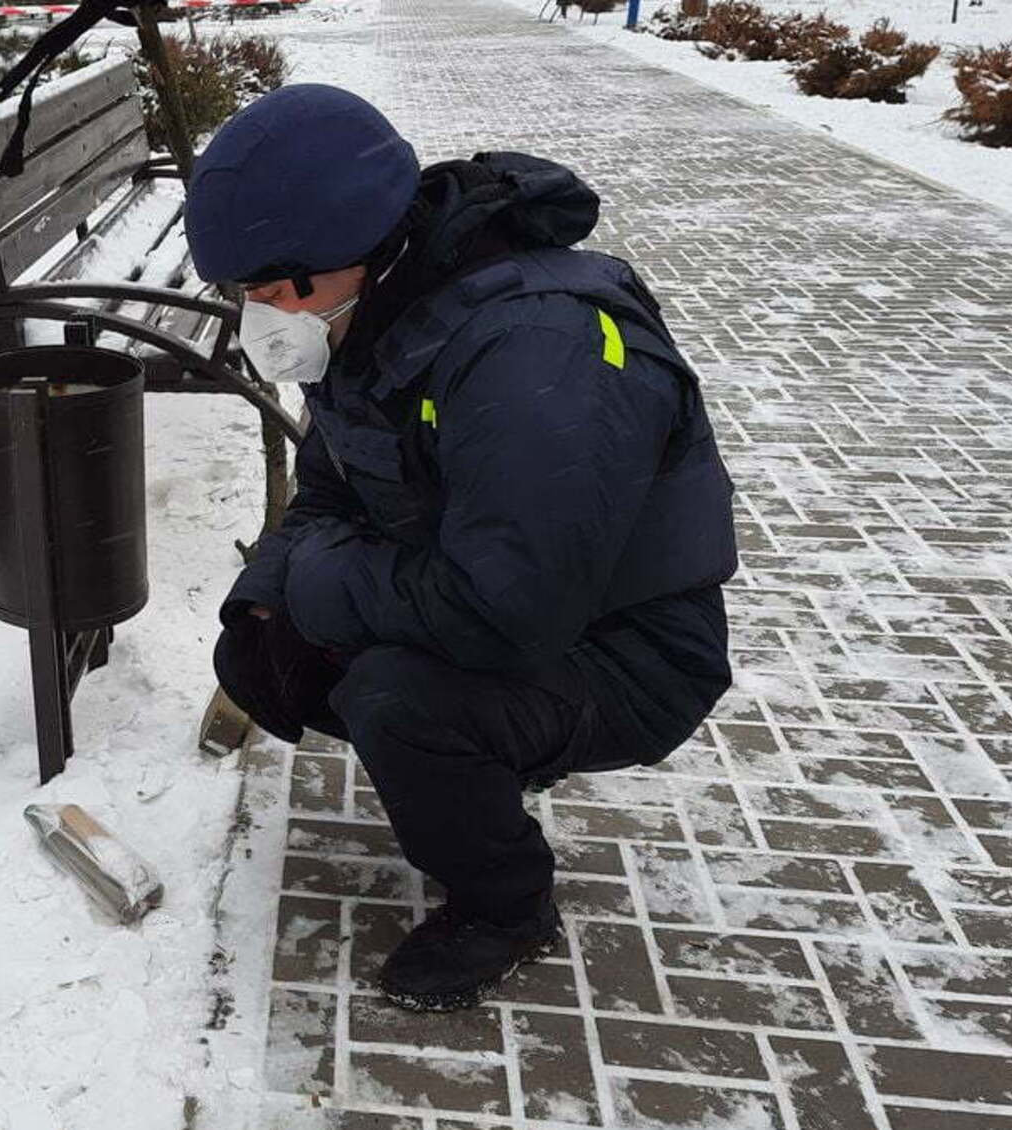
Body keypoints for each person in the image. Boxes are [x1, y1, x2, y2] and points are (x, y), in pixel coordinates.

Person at [188, 85, 738, 1013]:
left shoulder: (541, 354)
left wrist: (321, 590)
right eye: (242, 293)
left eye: (276, 290)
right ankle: (456, 775)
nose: (260, 314)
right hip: (488, 590)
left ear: (358, 249)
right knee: (264, 648)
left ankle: (504, 906)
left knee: (398, 699)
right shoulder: (380, 312)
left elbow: (506, 610)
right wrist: (274, 595)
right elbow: (329, 483)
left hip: (628, 650)